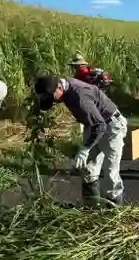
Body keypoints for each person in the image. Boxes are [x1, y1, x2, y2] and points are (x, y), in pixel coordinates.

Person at [34, 75, 128, 207]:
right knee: (88, 168)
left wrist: (85, 149)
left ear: (59, 87)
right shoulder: (64, 89)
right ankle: (91, 207)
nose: (53, 102)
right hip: (93, 125)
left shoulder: (80, 96)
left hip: (111, 126)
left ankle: (114, 210)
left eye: (52, 97)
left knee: (110, 170)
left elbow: (100, 126)